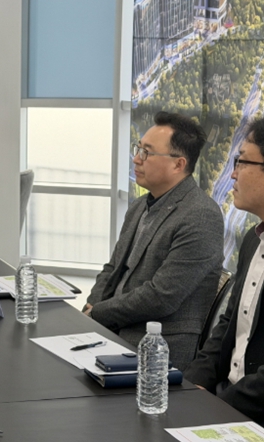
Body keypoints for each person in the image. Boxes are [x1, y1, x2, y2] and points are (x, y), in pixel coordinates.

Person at [83, 111, 224, 371]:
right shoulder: (139, 206)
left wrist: (98, 313)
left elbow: (161, 296)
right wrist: (91, 308)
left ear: (178, 164)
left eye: (147, 152)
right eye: (138, 148)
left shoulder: (201, 215)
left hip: (158, 348)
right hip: (113, 331)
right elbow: (112, 269)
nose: (136, 159)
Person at [185, 118, 264, 424]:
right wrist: (191, 385)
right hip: (226, 400)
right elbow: (228, 325)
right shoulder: (252, 241)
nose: (233, 173)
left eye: (241, 161)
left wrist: (217, 407)